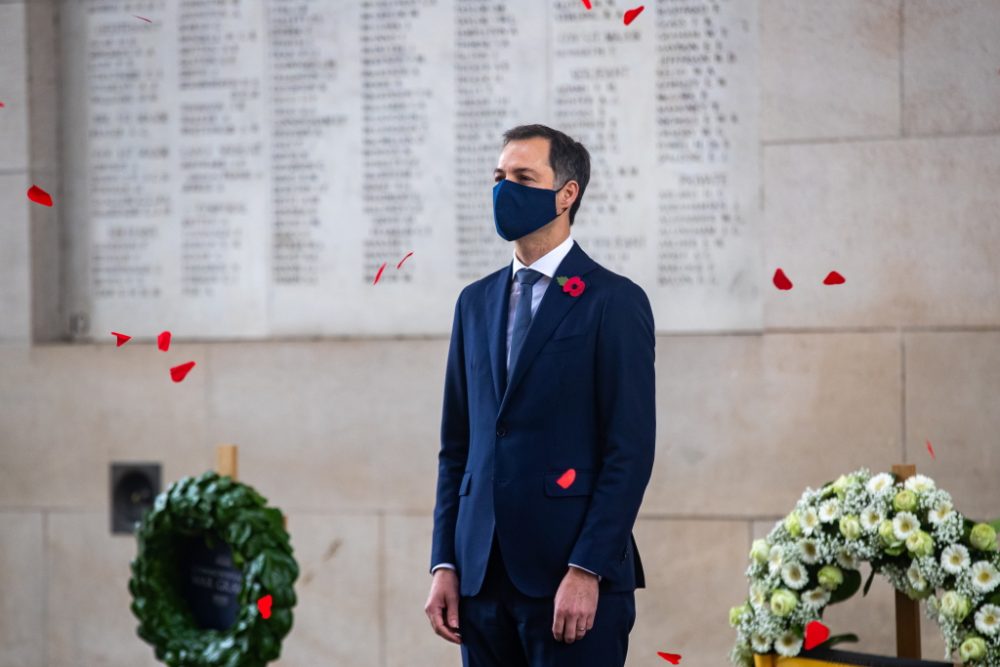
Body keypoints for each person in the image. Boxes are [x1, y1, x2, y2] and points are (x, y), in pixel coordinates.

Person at [425, 123, 656, 667]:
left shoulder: (613, 301)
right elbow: (457, 447)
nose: (505, 189)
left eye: (523, 177)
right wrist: (445, 563)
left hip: (568, 583)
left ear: (567, 193)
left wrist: (587, 568)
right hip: (480, 584)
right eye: (499, 176)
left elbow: (629, 451)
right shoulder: (473, 303)